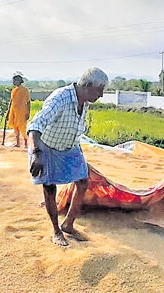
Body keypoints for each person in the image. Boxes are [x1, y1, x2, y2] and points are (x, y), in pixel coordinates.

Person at [27, 67, 108, 246]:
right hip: (45, 146)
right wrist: (36, 154)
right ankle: (56, 231)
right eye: (99, 90)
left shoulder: (84, 101)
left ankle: (68, 224)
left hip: (70, 147)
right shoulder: (60, 98)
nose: (101, 95)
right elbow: (35, 125)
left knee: (83, 181)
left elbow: (73, 128)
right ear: (87, 85)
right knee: (49, 188)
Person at [7, 73, 31, 147]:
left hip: (22, 111)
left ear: (18, 81)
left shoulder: (25, 90)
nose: (13, 82)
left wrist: (28, 112)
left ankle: (26, 143)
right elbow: (11, 101)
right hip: (14, 110)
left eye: (14, 80)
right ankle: (18, 143)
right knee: (15, 127)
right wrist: (8, 111)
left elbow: (28, 102)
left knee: (22, 126)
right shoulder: (14, 90)